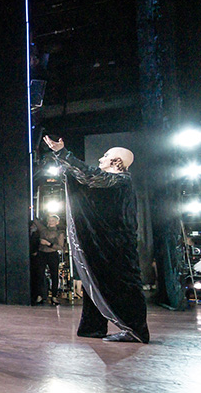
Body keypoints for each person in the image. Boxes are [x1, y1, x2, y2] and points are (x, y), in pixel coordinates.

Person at [43, 136, 149, 343]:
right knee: (93, 282)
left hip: (117, 248)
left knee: (124, 287)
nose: (102, 158)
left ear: (117, 162)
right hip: (106, 244)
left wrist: (64, 154)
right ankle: (93, 327)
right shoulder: (112, 183)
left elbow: (90, 177)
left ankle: (135, 330)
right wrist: (62, 158)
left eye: (107, 155)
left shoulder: (120, 180)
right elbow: (84, 179)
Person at [31, 213, 66, 304]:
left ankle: (54, 296)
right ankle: (40, 295)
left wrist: (48, 244)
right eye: (49, 220)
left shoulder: (59, 233)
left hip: (52, 254)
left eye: (53, 221)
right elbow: (35, 220)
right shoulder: (43, 229)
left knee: (54, 275)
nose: (51, 222)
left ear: (57, 222)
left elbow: (61, 247)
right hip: (42, 254)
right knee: (40, 275)